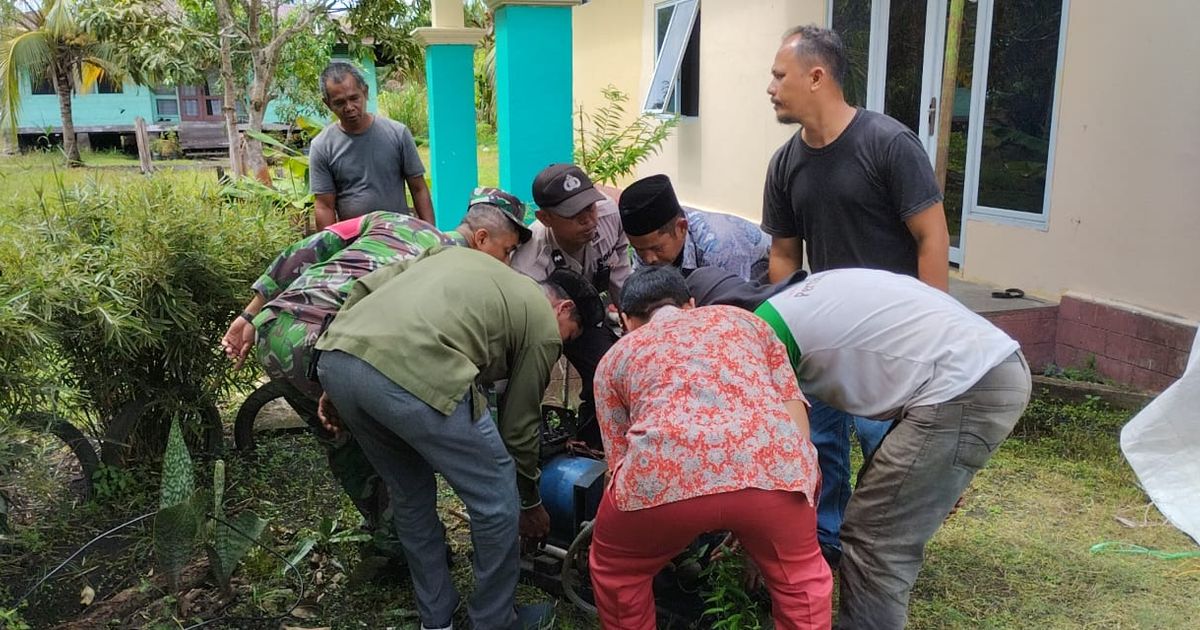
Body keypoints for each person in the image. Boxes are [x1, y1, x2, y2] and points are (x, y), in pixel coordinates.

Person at [685, 266, 1031, 629]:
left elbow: (784, 461)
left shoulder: (757, 332)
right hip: (979, 368)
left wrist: (755, 540)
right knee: (876, 512)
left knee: (875, 538)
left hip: (964, 382)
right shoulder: (790, 306)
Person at [220, 190, 529, 570]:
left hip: (276, 332)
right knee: (398, 447)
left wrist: (250, 315)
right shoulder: (454, 267)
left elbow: (310, 247)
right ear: (482, 238)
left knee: (341, 440)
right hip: (332, 343)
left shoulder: (389, 218)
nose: (508, 263)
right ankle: (407, 549)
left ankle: (389, 538)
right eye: (508, 250)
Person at [314, 245, 600, 630]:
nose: (561, 347)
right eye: (571, 337)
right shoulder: (544, 325)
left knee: (409, 494)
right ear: (563, 310)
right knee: (497, 496)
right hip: (418, 368)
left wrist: (346, 374)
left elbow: (365, 287)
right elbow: (519, 426)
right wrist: (529, 502)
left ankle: (437, 621)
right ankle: (495, 622)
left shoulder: (452, 255)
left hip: (339, 357)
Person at [763, 24, 952, 564]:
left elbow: (931, 236)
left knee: (888, 447)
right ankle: (827, 542)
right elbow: (783, 254)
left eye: (780, 76)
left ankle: (889, 546)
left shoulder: (887, 144)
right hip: (821, 337)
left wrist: (930, 329)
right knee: (820, 444)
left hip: (891, 339)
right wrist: (783, 334)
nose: (771, 88)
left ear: (816, 76)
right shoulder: (784, 164)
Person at [588, 266, 830, 630]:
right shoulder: (747, 322)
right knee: (801, 579)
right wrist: (800, 481)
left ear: (626, 319)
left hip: (662, 475)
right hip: (773, 469)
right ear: (691, 304)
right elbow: (793, 410)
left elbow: (618, 460)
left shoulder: (614, 358)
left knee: (617, 569)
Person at [510, 163, 633, 446]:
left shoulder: (609, 217)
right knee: (524, 387)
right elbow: (529, 335)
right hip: (541, 324)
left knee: (610, 372)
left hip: (586, 316)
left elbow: (622, 284)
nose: (589, 221)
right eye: (575, 216)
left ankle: (593, 445)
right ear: (546, 218)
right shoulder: (528, 265)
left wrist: (637, 339)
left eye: (590, 208)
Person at [309, 61, 433, 229]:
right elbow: (324, 206)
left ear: (365, 92)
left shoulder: (397, 133)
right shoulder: (322, 146)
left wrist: (430, 236)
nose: (349, 107)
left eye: (354, 98)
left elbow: (419, 189)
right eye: (339, 103)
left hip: (399, 238)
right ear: (327, 104)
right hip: (355, 243)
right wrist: (330, 250)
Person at [618, 174, 770, 281]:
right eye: (639, 250)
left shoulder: (721, 246)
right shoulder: (647, 247)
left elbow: (733, 311)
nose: (649, 259)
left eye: (657, 249)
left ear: (681, 228)